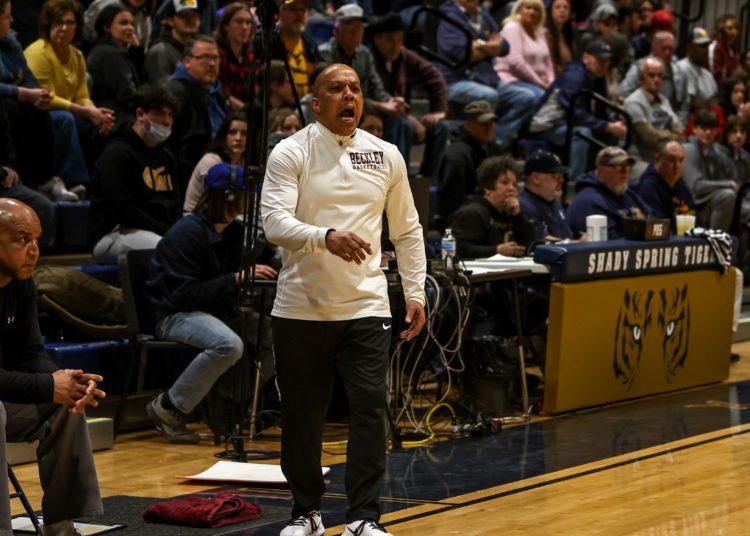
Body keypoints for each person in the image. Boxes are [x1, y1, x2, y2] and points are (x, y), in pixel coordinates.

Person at [261, 63, 426, 536]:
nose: (348, 95)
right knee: (301, 417)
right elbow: (273, 222)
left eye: (355, 87)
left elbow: (409, 231)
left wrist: (414, 290)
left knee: (371, 407)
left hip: (366, 307)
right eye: (336, 89)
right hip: (301, 308)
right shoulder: (291, 152)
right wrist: (324, 237)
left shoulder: (386, 154)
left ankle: (364, 518)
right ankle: (307, 513)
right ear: (317, 103)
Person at [145, 163, 277, 444]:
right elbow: (184, 295)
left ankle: (227, 404)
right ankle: (169, 407)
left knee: (279, 339)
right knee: (228, 344)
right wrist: (235, 280)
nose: (251, 202)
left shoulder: (232, 232)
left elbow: (239, 275)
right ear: (229, 197)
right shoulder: (186, 234)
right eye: (246, 195)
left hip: (213, 311)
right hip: (174, 314)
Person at [0, 198, 105, 536]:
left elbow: (30, 352)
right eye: (21, 239)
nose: (34, 250)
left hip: (6, 395)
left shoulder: (21, 284)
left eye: (37, 239)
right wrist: (48, 385)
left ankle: (62, 525)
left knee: (65, 407)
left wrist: (65, 382)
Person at [24, 0, 115, 194]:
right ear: (48, 24)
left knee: (100, 124)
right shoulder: (38, 52)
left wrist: (94, 113)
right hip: (36, 111)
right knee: (67, 120)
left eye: (70, 23)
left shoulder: (77, 55)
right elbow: (47, 98)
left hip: (66, 110)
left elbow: (82, 94)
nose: (64, 28)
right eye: (58, 22)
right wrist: (86, 111)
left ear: (77, 26)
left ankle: (101, 183)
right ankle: (74, 181)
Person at [87, 85, 182, 263]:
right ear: (140, 114)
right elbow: (124, 210)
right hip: (113, 233)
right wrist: (168, 231)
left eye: (170, 115)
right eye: (160, 113)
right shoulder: (117, 154)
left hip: (157, 230)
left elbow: (176, 202)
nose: (167, 121)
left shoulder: (167, 157)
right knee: (166, 248)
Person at [435, 0, 536, 151]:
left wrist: (480, 46)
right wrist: (490, 47)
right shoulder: (450, 16)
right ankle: (480, 145)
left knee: (527, 98)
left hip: (487, 78)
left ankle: (496, 141)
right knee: (489, 95)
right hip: (456, 80)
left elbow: (504, 47)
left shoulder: (483, 14)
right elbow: (461, 53)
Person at [366, 12, 449, 178]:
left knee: (440, 129)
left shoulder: (404, 55)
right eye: (390, 40)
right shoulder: (368, 57)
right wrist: (408, 118)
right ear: (377, 39)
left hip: (401, 117)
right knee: (400, 125)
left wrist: (439, 111)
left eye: (399, 40)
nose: (395, 45)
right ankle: (398, 181)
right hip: (375, 120)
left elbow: (435, 76)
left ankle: (426, 181)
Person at [531, 39, 628, 181]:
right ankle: (573, 182)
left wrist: (612, 125)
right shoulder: (575, 75)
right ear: (586, 57)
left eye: (606, 61)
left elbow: (599, 112)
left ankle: (604, 179)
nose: (603, 65)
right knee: (582, 134)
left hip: (569, 122)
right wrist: (607, 126)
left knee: (608, 133)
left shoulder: (596, 77)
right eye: (599, 60)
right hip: (549, 125)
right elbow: (573, 112)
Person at [165, 35, 228, 194]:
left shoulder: (215, 90)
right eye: (205, 58)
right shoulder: (175, 93)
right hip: (188, 177)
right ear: (187, 62)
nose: (212, 64)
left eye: (215, 58)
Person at [434, 99, 503, 230]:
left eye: (492, 122)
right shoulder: (457, 155)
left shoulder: (495, 149)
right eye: (484, 123)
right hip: (463, 223)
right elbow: (453, 201)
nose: (490, 127)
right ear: (469, 125)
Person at [449, 155, 536, 259]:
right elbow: (458, 248)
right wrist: (496, 251)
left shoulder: (510, 212)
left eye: (514, 184)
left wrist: (517, 216)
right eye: (504, 182)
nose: (511, 188)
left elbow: (530, 246)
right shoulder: (472, 213)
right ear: (487, 188)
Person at [567, 146, 652, 239]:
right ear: (600, 170)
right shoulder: (588, 201)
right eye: (618, 167)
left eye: (627, 167)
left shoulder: (629, 194)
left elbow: (653, 221)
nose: (624, 172)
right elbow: (610, 243)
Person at [682, 108, 737, 233]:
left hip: (706, 201)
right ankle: (715, 243)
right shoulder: (688, 149)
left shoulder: (717, 151)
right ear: (694, 129)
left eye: (711, 129)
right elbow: (695, 187)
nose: (708, 133)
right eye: (703, 128)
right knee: (727, 195)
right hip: (688, 205)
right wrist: (726, 184)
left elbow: (732, 176)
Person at [623, 56, 682, 171]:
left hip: (663, 157)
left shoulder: (663, 100)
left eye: (660, 76)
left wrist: (665, 135)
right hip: (640, 159)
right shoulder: (633, 102)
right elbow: (649, 138)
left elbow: (680, 131)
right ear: (641, 78)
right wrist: (670, 134)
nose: (657, 79)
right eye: (652, 75)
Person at [87, 4, 140, 131]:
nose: (130, 28)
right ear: (106, 27)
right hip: (115, 120)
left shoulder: (106, 50)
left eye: (132, 24)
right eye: (123, 23)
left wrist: (137, 51)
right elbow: (128, 97)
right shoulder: (109, 54)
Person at [183, 110, 247, 213]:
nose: (238, 138)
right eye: (232, 132)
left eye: (244, 133)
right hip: (196, 217)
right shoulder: (211, 161)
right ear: (223, 136)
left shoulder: (245, 163)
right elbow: (214, 202)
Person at [494, 0, 554, 104]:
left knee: (558, 95)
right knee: (541, 96)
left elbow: (548, 61)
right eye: (528, 8)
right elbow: (516, 63)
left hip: (538, 81)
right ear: (519, 10)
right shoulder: (512, 27)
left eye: (536, 9)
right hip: (513, 78)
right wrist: (540, 83)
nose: (532, 12)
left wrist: (551, 81)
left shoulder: (539, 31)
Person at [634, 139, 697, 234]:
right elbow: (659, 229)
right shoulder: (648, 187)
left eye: (681, 160)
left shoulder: (680, 184)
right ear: (657, 159)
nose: (677, 165)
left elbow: (697, 221)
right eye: (672, 159)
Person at [519, 149, 574, 242]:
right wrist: (577, 244)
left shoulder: (555, 202)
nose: (561, 180)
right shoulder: (523, 206)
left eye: (562, 176)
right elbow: (543, 241)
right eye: (556, 176)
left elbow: (567, 236)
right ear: (536, 178)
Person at [142, 0, 200, 86]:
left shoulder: (196, 50)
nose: (191, 20)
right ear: (170, 21)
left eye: (194, 15)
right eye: (184, 16)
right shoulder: (160, 52)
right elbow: (163, 91)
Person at [274, 0, 321, 99]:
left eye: (303, 10)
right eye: (293, 9)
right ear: (280, 13)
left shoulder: (311, 46)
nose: (299, 14)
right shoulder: (270, 43)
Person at [675, 27, 718, 127]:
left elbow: (715, 102)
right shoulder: (680, 68)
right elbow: (691, 103)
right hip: (685, 126)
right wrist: (707, 104)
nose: (706, 51)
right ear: (689, 47)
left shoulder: (708, 74)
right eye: (701, 47)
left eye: (707, 46)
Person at [214, 2, 254, 111]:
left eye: (248, 22)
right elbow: (219, 89)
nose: (245, 27)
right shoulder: (216, 53)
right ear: (225, 26)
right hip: (221, 108)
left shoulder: (251, 55)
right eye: (239, 22)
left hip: (245, 110)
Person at [544, 0, 574, 77]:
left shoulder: (567, 34)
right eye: (557, 7)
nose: (562, 10)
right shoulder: (546, 34)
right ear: (551, 11)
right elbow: (550, 63)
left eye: (566, 8)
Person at [709, 14, 740, 85]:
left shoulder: (733, 49)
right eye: (730, 28)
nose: (734, 32)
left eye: (736, 28)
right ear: (721, 29)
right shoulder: (716, 47)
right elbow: (713, 73)